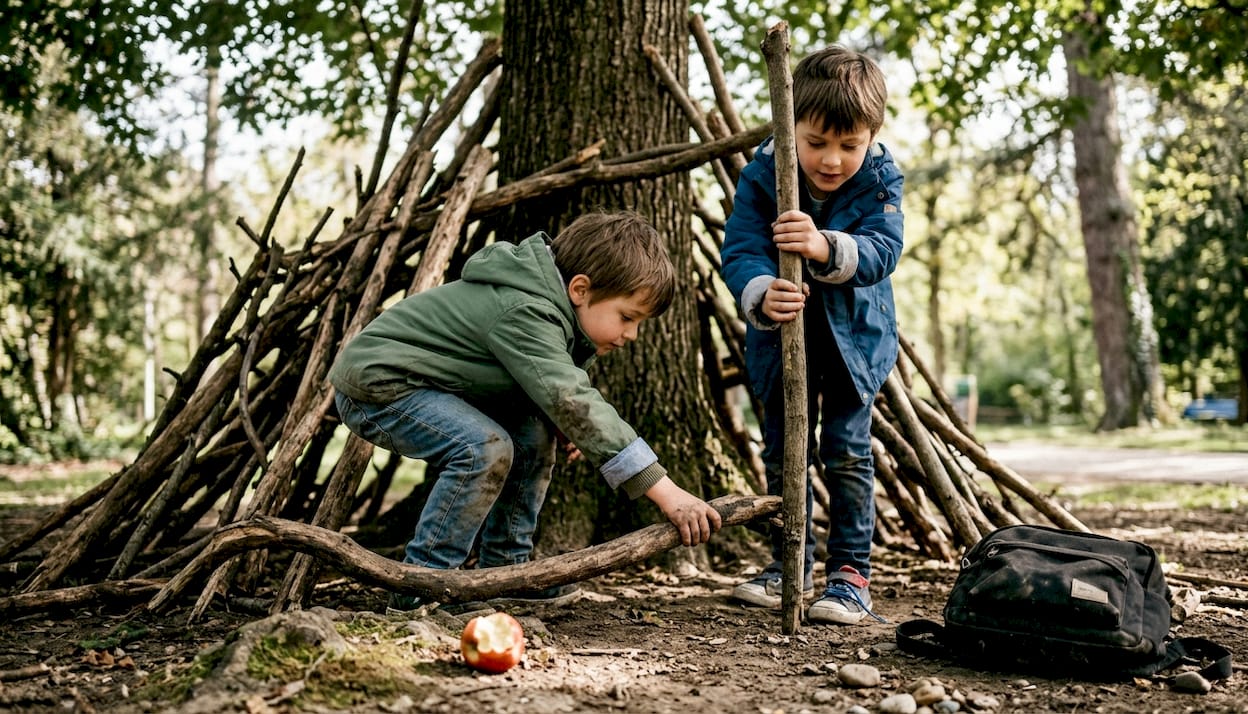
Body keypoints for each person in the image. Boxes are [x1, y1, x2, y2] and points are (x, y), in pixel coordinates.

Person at [328, 211, 723, 612]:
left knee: (533, 438)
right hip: (381, 387)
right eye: (627, 317)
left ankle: (507, 572)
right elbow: (569, 395)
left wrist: (559, 421)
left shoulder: (551, 310)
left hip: (434, 386)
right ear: (580, 289)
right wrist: (664, 490)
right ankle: (426, 586)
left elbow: (545, 382)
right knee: (483, 450)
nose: (631, 335)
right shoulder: (525, 309)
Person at [719, 46, 904, 624]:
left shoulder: (880, 177)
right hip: (781, 346)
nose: (831, 160)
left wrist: (826, 247)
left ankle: (850, 575)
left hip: (854, 347)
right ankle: (789, 565)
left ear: (872, 134)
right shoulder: (763, 175)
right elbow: (742, 249)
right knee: (782, 456)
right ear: (790, 125)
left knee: (847, 454)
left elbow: (884, 249)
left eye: (849, 145)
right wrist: (761, 291)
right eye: (816, 142)